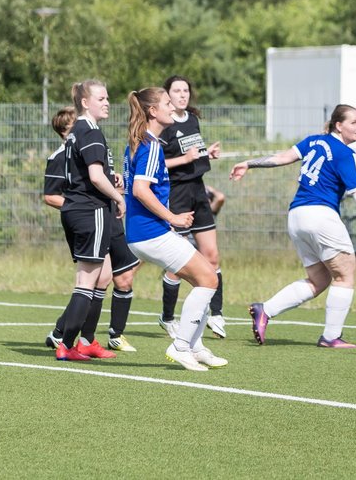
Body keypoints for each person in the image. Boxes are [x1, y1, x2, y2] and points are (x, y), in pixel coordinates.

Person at [238, 105, 356, 348]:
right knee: (345, 274)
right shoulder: (344, 153)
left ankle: (265, 309)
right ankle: (330, 337)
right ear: (339, 125)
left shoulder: (314, 141)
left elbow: (283, 158)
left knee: (318, 279)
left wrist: (249, 163)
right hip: (320, 216)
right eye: (354, 122)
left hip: (296, 216)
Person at [122, 86, 228, 371]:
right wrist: (173, 218)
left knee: (202, 280)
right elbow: (141, 190)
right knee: (209, 278)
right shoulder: (151, 144)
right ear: (153, 111)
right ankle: (181, 346)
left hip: (142, 232)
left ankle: (195, 346)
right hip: (149, 232)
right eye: (167, 103)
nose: (173, 107)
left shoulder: (139, 141)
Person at [42, 104, 142, 354]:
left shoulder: (90, 142)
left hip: (106, 213)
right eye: (70, 128)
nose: (74, 130)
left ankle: (87, 340)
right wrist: (81, 207)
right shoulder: (61, 155)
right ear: (64, 132)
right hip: (92, 214)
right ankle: (64, 338)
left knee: (108, 276)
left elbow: (96, 176)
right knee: (89, 279)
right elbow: (51, 195)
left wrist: (113, 179)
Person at [158, 75, 226, 339]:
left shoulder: (193, 120)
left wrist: (206, 153)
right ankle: (166, 317)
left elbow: (192, 155)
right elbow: (157, 163)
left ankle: (217, 313)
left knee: (212, 255)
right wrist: (182, 159)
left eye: (186, 90)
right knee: (177, 262)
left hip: (198, 191)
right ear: (168, 95)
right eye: (177, 91)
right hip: (176, 194)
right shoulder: (163, 125)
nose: (183, 95)